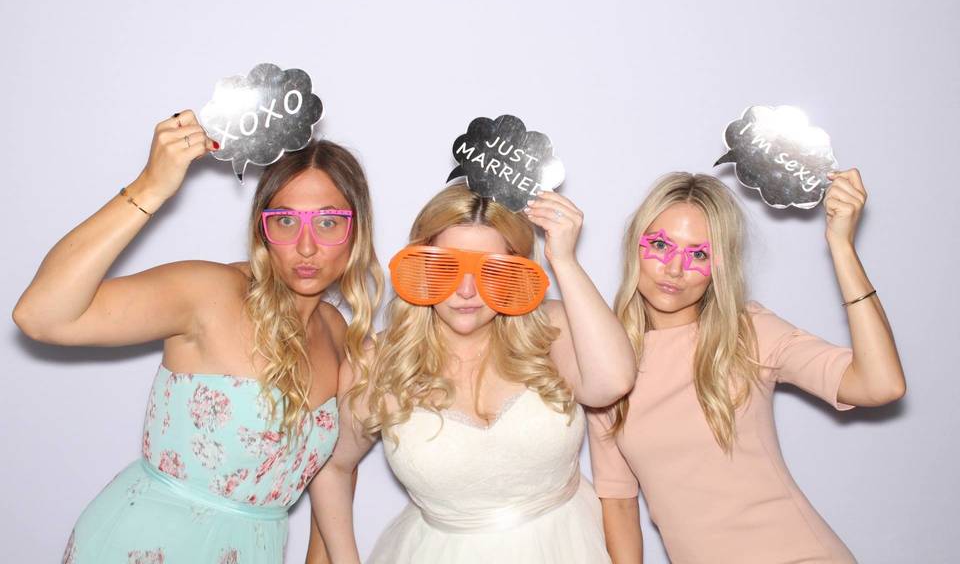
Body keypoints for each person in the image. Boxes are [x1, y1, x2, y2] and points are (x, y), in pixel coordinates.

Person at [13, 111, 382, 563]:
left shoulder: (337, 331)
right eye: (285, 221)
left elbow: (334, 473)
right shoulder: (209, 293)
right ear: (261, 230)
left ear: (356, 231)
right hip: (146, 547)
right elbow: (41, 316)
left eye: (328, 222)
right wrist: (150, 186)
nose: (306, 246)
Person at [588, 170, 906, 564]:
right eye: (659, 245)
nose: (674, 269)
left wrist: (841, 246)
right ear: (634, 246)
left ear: (719, 265)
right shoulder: (605, 361)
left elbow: (880, 385)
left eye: (699, 254)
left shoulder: (748, 332)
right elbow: (618, 501)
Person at [310, 182, 637, 563]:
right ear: (423, 265)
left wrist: (564, 259)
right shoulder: (379, 362)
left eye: (490, 271)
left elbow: (612, 382)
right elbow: (332, 466)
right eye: (448, 266)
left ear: (516, 272)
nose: (466, 290)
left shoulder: (552, 331)